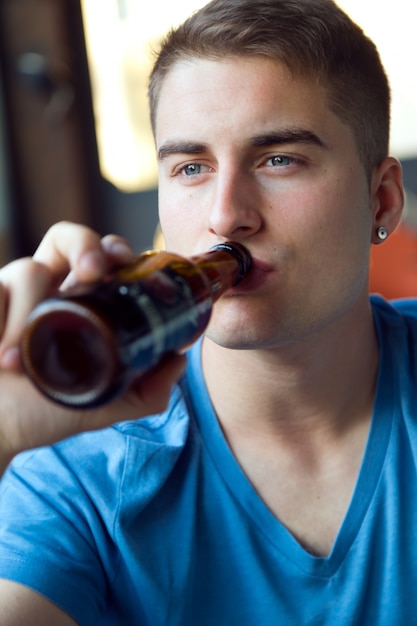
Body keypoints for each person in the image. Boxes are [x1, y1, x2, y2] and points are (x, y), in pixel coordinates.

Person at [0, 0, 412, 623]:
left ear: (380, 202)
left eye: (279, 159)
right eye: (192, 166)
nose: (225, 215)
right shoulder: (74, 467)